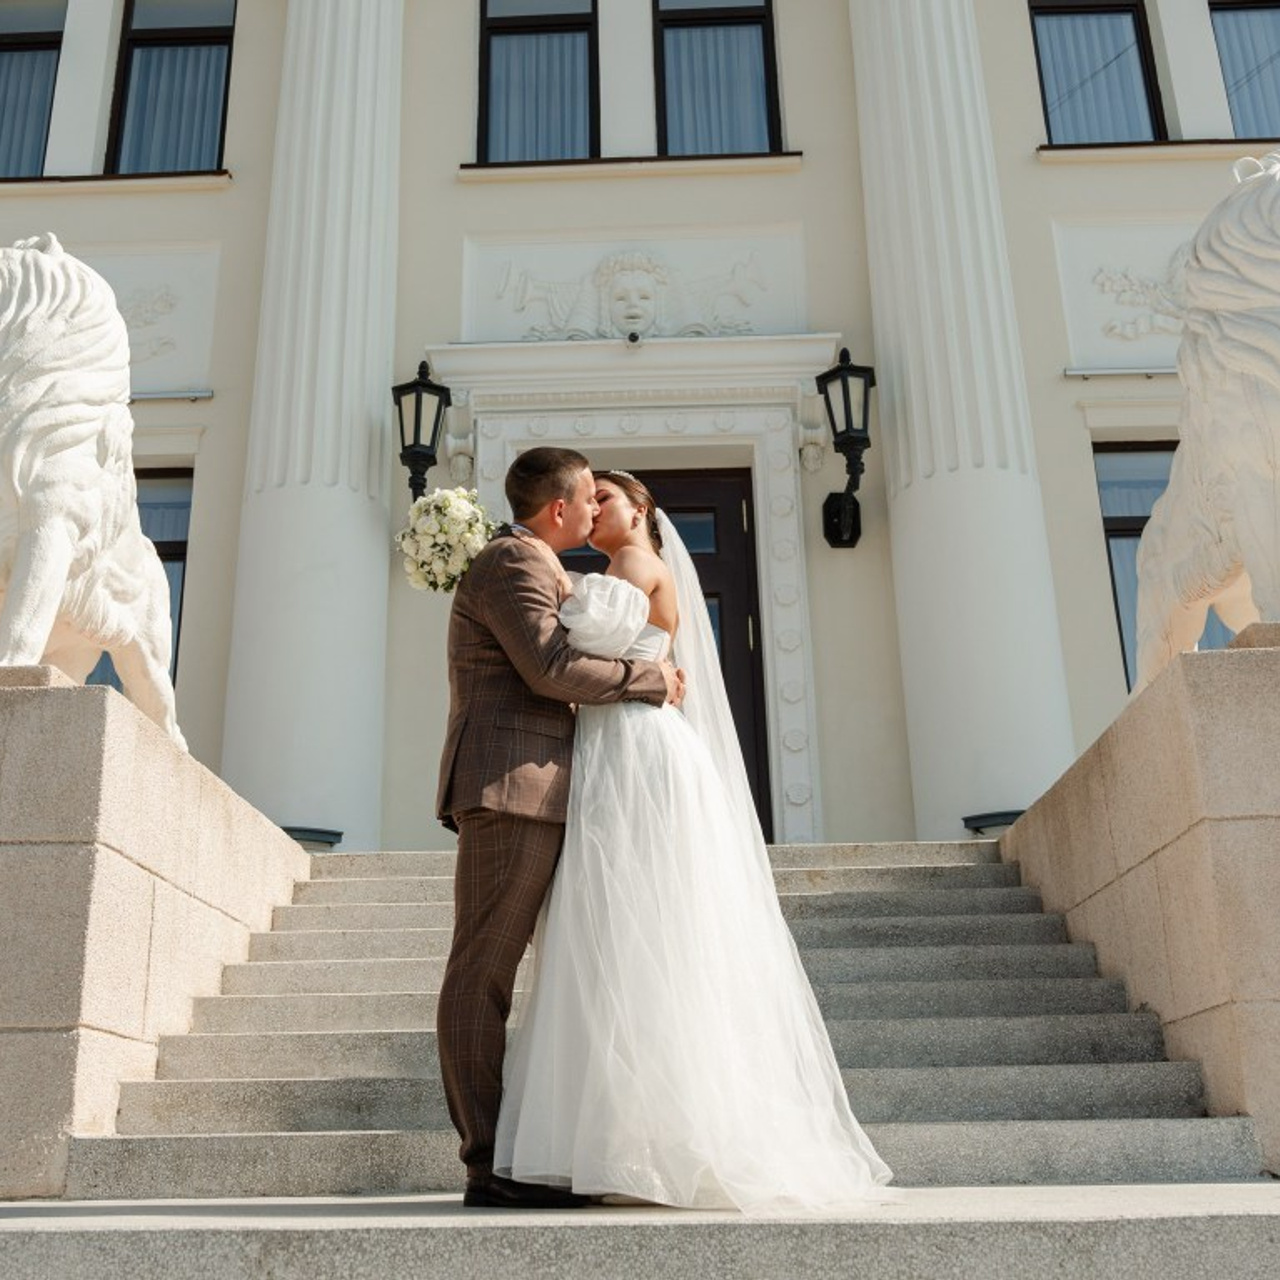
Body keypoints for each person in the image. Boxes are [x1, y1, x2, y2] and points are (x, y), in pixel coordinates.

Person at [493, 471, 894, 1213]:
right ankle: (626, 1138)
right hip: (619, 743)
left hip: (637, 750)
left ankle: (649, 1142)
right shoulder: (617, 571)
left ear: (639, 511)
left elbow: (562, 656)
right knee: (616, 936)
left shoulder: (635, 567)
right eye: (587, 498)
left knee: (635, 931)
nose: (591, 510)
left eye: (604, 499)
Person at [435, 448, 683, 1211]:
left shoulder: (544, 563)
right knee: (483, 974)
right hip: (513, 789)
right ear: (559, 507)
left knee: (513, 970)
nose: (594, 511)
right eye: (588, 499)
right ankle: (488, 1167)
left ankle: (523, 1154)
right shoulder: (515, 561)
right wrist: (653, 680)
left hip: (543, 788)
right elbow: (548, 671)